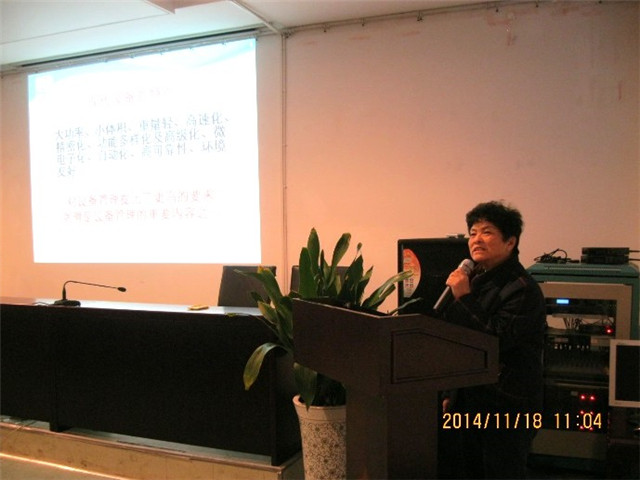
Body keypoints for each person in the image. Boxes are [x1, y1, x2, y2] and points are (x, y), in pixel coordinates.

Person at [441, 200, 546, 479]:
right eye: (473, 232)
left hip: (506, 404)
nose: (476, 239)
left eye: (487, 232)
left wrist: (464, 297)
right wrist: (451, 393)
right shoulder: (476, 277)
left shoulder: (522, 289)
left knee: (501, 471)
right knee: (468, 469)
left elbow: (494, 341)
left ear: (510, 242)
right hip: (471, 397)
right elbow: (458, 338)